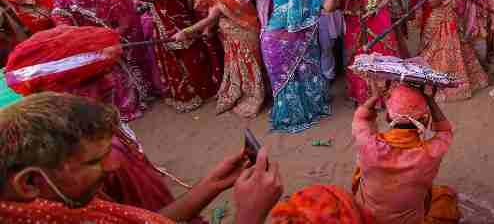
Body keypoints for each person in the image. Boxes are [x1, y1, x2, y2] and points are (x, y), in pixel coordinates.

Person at [0, 92, 284, 224]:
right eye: (94, 161)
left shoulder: (58, 205)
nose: (114, 165)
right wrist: (249, 215)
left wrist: (210, 185)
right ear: (29, 183)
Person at [352, 85, 460, 224]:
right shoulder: (429, 154)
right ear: (425, 120)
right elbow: (445, 132)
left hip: (367, 218)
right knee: (445, 199)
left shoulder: (368, 145)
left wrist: (375, 96)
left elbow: (361, 117)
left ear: (387, 117)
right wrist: (430, 100)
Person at [261, 0, 337, 132]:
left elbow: (328, 8)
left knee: (306, 75)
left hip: (304, 43)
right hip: (277, 43)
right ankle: (292, 114)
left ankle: (311, 107)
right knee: (287, 80)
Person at [179, 0, 265, 118]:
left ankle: (253, 94)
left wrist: (186, 31)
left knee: (244, 66)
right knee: (253, 64)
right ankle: (261, 91)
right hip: (248, 33)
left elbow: (210, 19)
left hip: (237, 38)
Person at [415, 0, 488, 102]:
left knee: (457, 46)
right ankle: (437, 82)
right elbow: (431, 2)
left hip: (450, 16)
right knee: (434, 48)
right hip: (437, 18)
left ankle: (458, 82)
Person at [339, 0, 401, 104]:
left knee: (382, 55)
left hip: (378, 19)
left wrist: (375, 9)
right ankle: (364, 95)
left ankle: (386, 93)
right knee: (359, 56)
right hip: (355, 21)